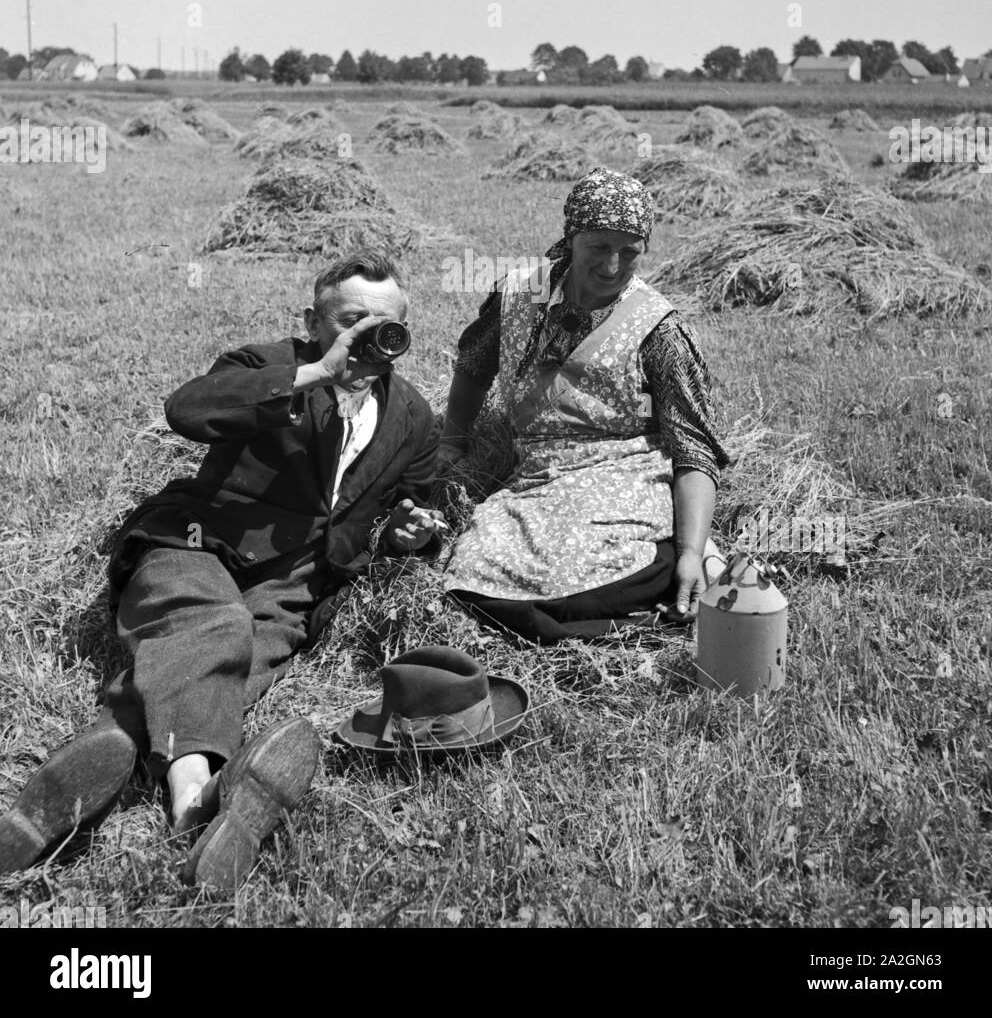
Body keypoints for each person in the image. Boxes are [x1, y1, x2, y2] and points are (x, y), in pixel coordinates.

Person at [0, 251, 444, 892]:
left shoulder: (412, 416)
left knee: (236, 654)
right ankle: (193, 802)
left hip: (293, 584)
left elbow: (417, 506)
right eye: (352, 319)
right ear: (313, 322)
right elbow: (188, 409)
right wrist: (313, 374)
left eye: (387, 324)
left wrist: (410, 535)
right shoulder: (265, 365)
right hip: (198, 545)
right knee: (217, 626)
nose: (370, 338)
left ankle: (111, 755)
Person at [436, 166, 730, 644]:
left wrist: (692, 551)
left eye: (629, 252)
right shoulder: (520, 293)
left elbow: (694, 449)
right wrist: (452, 440)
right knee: (474, 566)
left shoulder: (660, 329)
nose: (612, 267)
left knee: (611, 565)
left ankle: (659, 574)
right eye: (598, 247)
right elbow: (473, 366)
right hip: (536, 478)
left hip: (622, 474)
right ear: (571, 237)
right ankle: (600, 619)